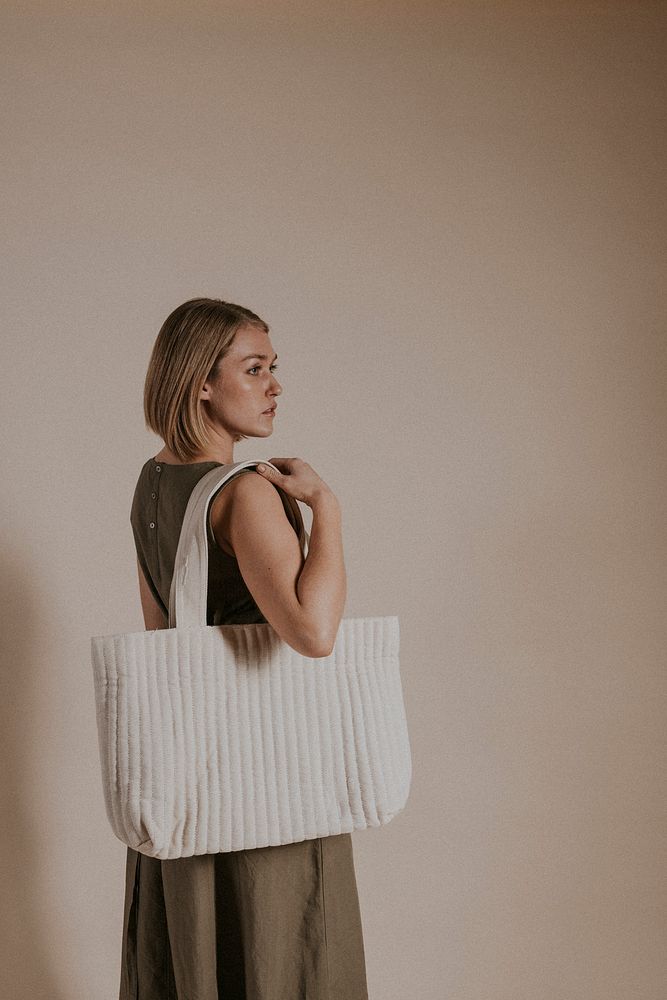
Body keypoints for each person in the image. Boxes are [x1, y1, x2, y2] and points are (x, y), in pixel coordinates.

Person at [119, 298, 369, 999]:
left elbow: (163, 637)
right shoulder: (245, 494)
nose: (274, 387)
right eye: (253, 369)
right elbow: (313, 634)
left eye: (273, 369)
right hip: (269, 774)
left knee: (198, 954)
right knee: (285, 947)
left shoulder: (152, 483)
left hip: (189, 777)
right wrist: (327, 510)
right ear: (200, 381)